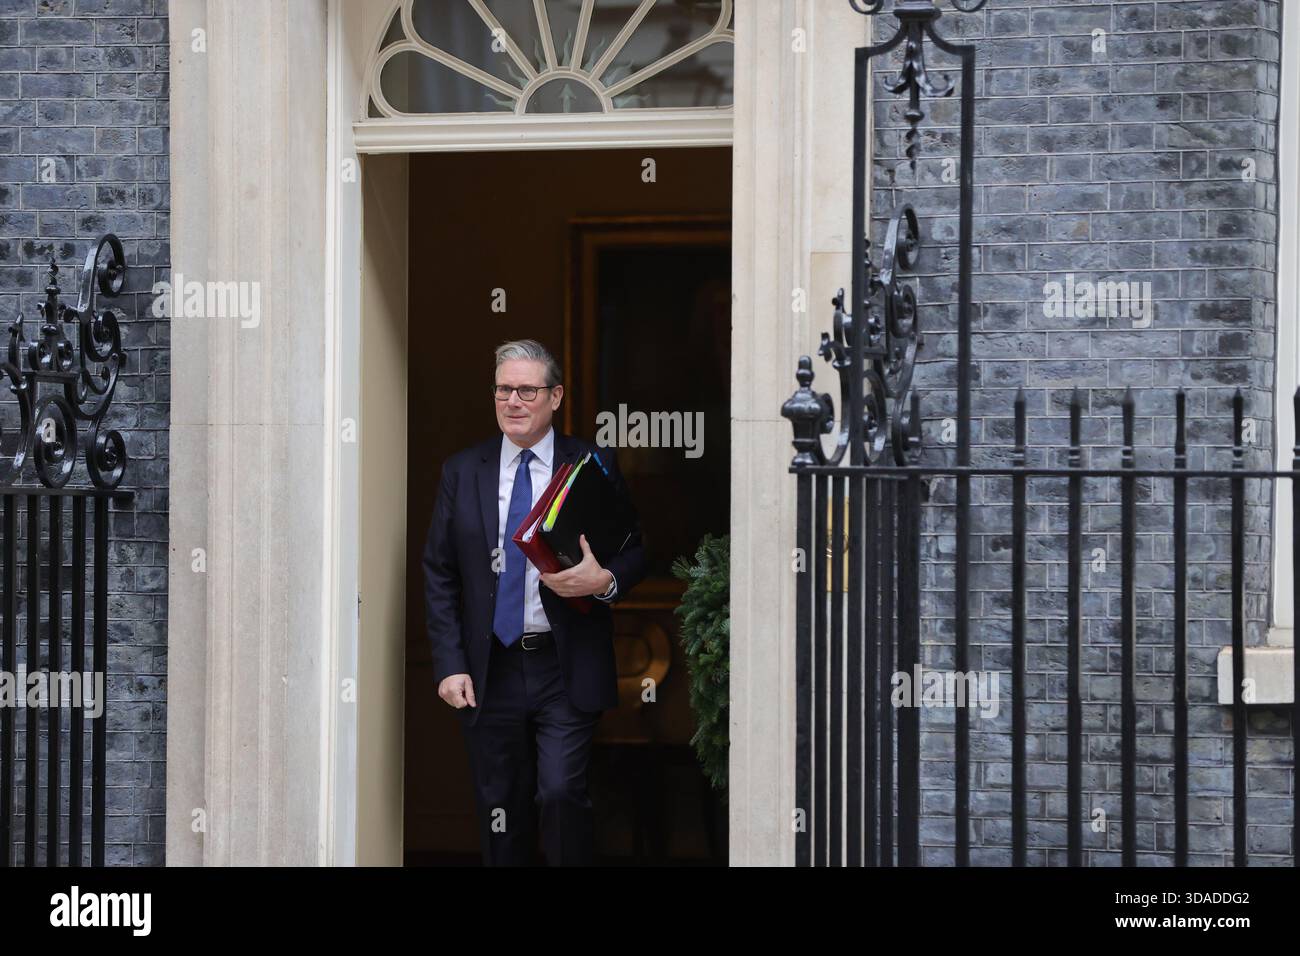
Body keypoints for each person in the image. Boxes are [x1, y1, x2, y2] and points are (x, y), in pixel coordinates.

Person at [422, 338, 646, 865]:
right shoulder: (464, 469)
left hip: (563, 666)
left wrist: (604, 581)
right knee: (502, 808)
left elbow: (634, 549)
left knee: (561, 794)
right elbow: (440, 571)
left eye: (527, 389)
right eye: (503, 389)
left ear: (556, 396)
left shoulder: (590, 463)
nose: (513, 401)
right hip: (489, 667)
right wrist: (450, 665)